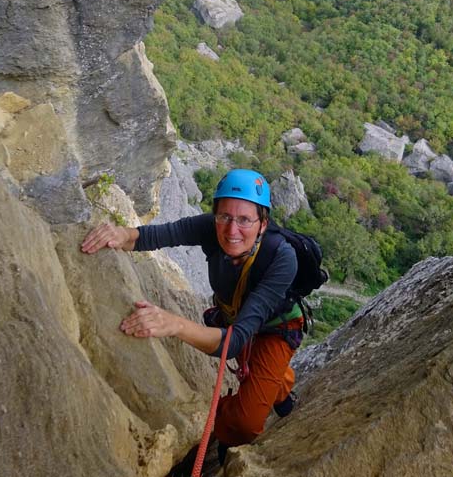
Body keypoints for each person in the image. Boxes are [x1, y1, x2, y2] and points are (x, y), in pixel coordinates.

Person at [81, 168, 303, 463]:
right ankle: (278, 388)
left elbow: (233, 343)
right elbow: (159, 235)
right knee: (262, 370)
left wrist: (173, 324)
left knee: (245, 423)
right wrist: (121, 234)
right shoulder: (213, 227)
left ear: (263, 224)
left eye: (245, 220)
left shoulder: (282, 258)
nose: (231, 230)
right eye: (224, 216)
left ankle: (227, 430)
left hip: (275, 328)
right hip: (236, 318)